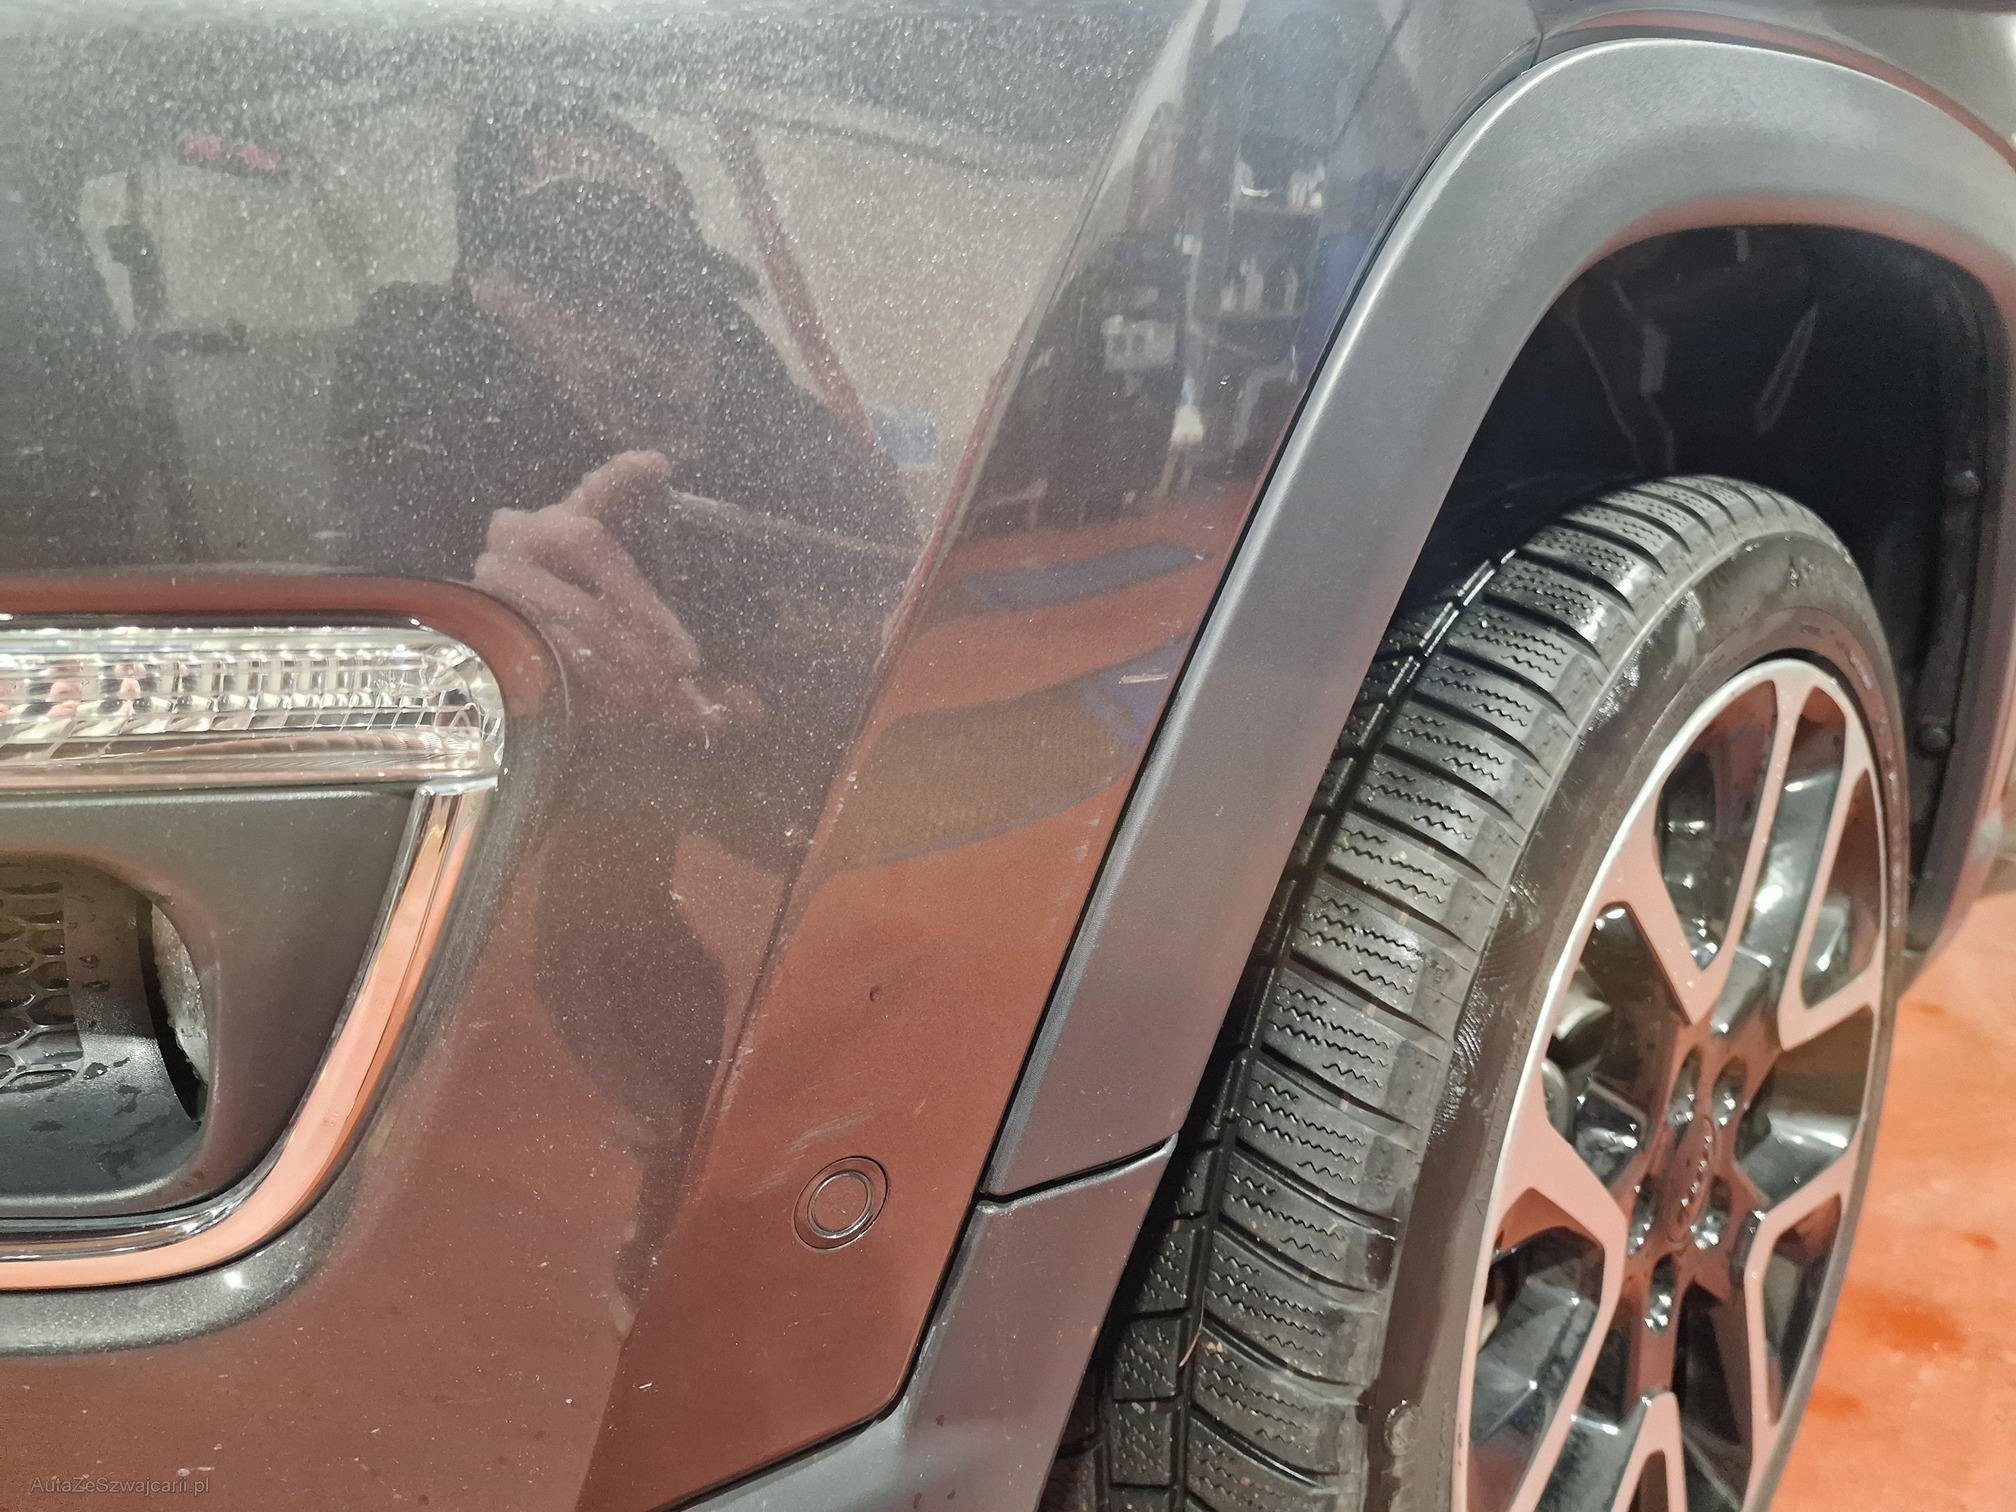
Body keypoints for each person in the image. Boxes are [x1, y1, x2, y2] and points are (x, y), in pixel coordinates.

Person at [327, 100, 914, 1310]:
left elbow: (887, 586)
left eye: (666, 295)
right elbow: (369, 561)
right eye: (578, 287)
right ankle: (677, 1169)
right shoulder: (422, 374)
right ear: (485, 288)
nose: (639, 342)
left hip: (753, 751)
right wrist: (485, 613)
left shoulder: (755, 398)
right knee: (600, 930)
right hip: (547, 775)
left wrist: (753, 693)